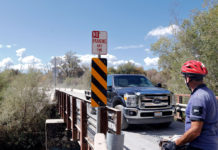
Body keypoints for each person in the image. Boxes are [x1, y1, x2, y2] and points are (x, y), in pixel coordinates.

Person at [162, 60, 218, 150]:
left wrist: (175, 144)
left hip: (200, 146)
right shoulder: (209, 93)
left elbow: (195, 131)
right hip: (211, 144)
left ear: (188, 78)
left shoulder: (198, 97)